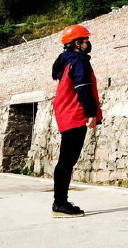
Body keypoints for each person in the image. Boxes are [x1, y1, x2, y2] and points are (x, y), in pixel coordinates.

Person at [51, 24, 103, 218]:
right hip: (75, 114)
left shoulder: (65, 61)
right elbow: (83, 88)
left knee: (66, 160)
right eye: (86, 40)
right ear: (77, 43)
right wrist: (91, 114)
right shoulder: (79, 62)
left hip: (65, 112)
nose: (88, 43)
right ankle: (60, 203)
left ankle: (60, 202)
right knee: (67, 160)